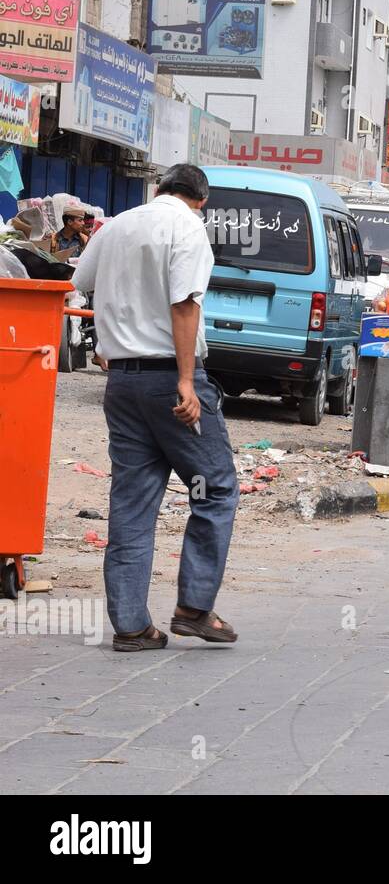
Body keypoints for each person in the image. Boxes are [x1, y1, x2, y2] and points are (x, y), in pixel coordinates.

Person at [71, 164, 240, 651]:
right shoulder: (188, 228)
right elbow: (185, 304)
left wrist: (110, 341)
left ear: (159, 189)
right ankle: (193, 607)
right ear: (200, 200)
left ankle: (130, 625)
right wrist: (187, 382)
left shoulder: (119, 223)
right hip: (171, 382)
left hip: (123, 386)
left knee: (132, 501)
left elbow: (84, 283)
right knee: (214, 488)